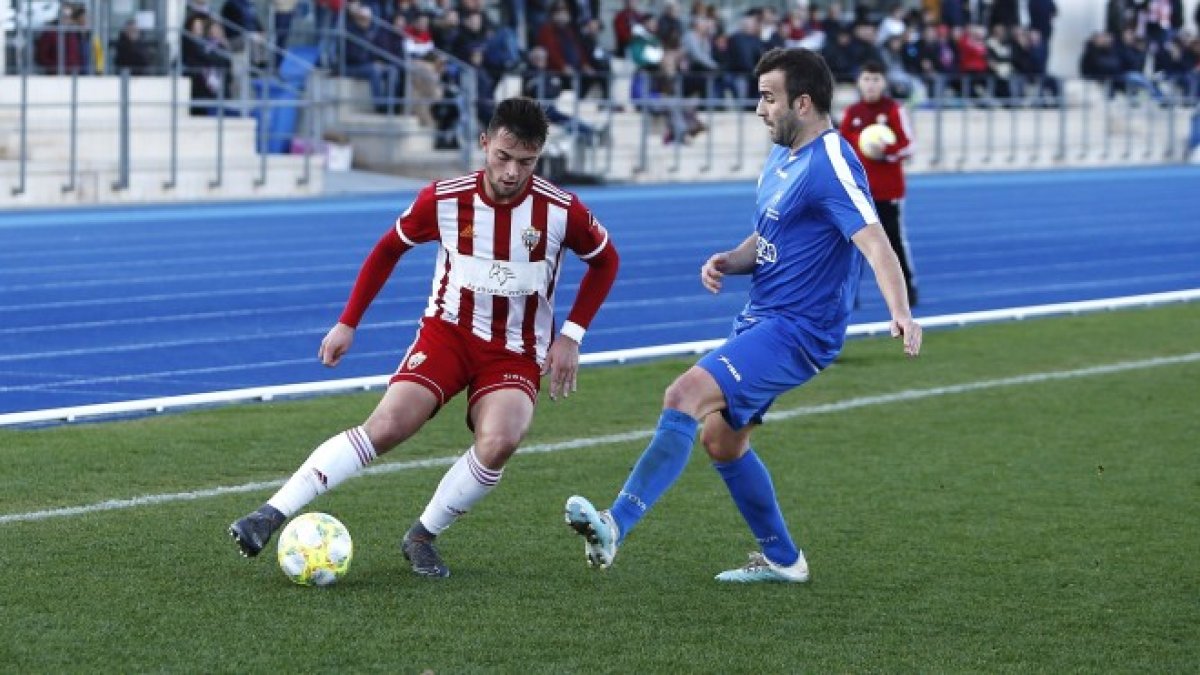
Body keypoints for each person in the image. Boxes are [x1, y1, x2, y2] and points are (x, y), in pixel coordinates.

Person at [563, 48, 922, 584]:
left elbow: (874, 240)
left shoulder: (832, 161)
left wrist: (900, 311)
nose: (759, 109)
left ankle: (615, 525)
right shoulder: (783, 156)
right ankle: (784, 560)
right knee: (722, 441)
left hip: (800, 330)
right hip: (762, 318)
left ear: (803, 103)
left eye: (768, 97)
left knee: (684, 396)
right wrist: (731, 260)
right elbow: (775, 231)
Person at [229, 97, 621, 578]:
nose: (513, 171)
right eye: (503, 156)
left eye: (526, 161)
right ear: (484, 144)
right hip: (448, 335)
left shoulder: (560, 211)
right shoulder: (445, 199)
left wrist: (572, 335)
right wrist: (348, 321)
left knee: (500, 441)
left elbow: (606, 260)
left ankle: (422, 535)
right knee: (387, 426)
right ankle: (270, 513)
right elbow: (387, 249)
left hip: (514, 353)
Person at [840, 60, 919, 307]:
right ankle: (850, 296)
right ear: (859, 83)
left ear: (883, 82)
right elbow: (841, 147)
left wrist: (885, 150)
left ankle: (907, 291)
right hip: (859, 192)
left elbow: (909, 145)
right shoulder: (852, 113)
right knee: (854, 245)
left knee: (893, 242)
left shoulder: (894, 110)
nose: (871, 85)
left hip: (889, 191)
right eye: (866, 79)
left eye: (875, 79)